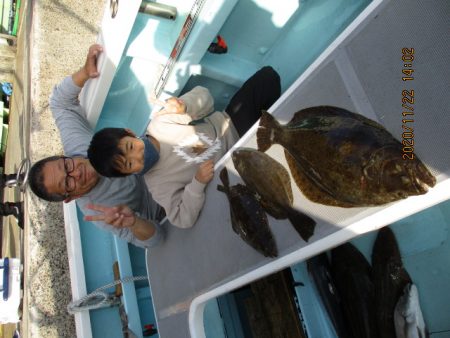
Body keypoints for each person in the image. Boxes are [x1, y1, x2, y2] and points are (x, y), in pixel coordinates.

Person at [87, 66, 281, 229]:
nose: (139, 156)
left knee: (268, 77)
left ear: (129, 132)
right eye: (130, 164)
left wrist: (184, 106)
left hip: (231, 126)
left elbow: (206, 98)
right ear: (129, 174)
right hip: (234, 166)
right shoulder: (157, 185)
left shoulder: (159, 123)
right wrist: (197, 183)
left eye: (131, 146)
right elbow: (181, 219)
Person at [28, 44, 164, 249]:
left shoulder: (77, 146)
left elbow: (59, 103)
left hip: (158, 160)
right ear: (70, 198)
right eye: (68, 184)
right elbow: (157, 239)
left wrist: (85, 73)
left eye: (66, 166)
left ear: (63, 157)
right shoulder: (96, 211)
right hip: (166, 203)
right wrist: (133, 222)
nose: (76, 173)